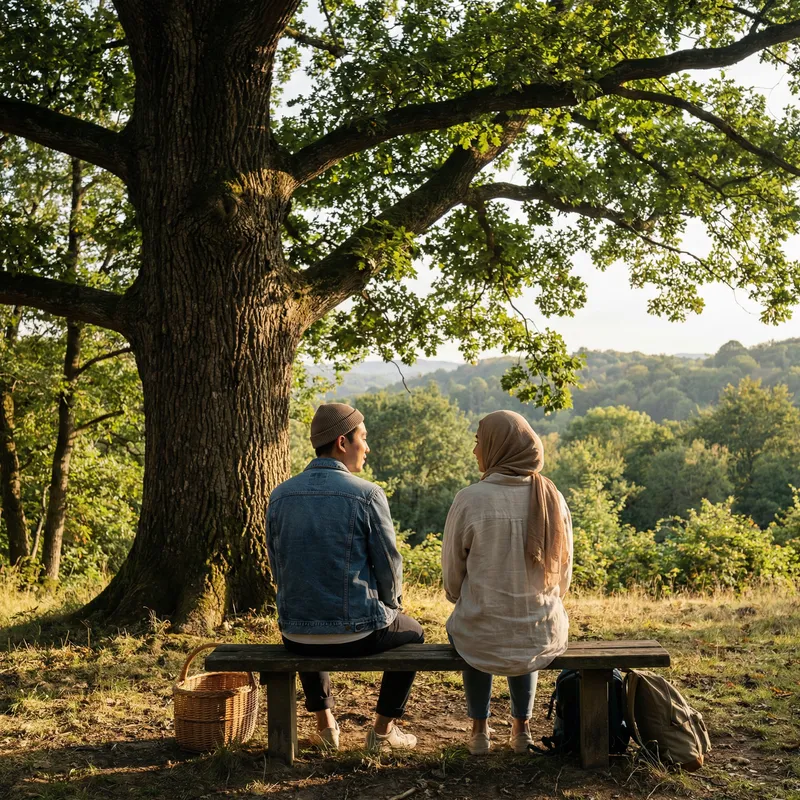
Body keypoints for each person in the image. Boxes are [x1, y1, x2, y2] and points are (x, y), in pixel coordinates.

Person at [267, 402, 423, 753]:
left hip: (296, 634)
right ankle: (382, 732)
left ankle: (326, 728)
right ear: (342, 442)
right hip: (360, 634)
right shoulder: (366, 494)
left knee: (310, 619)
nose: (366, 448)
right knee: (415, 633)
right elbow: (388, 565)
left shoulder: (279, 496)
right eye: (362, 439)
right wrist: (392, 605)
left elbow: (279, 568)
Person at [442, 410, 573, 755]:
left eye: (478, 442)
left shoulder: (470, 499)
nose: (475, 452)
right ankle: (521, 730)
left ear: (497, 447)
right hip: (540, 631)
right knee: (524, 627)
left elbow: (453, 575)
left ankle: (479, 731)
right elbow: (563, 576)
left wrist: (462, 598)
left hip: (480, 633)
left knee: (475, 626)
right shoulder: (553, 498)